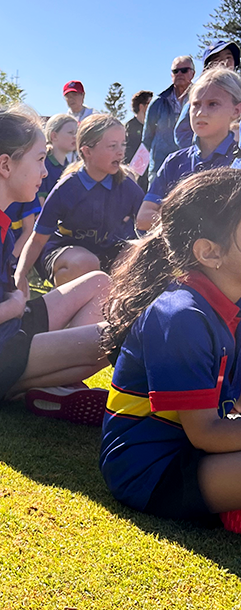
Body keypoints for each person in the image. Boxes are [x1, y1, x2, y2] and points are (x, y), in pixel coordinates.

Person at [0, 109, 109, 422]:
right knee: (113, 337)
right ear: (5, 166)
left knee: (99, 282)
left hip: (7, 332)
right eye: (39, 159)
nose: (45, 171)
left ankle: (50, 382)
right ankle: (19, 387)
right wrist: (13, 306)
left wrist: (15, 300)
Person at [101, 168, 241, 533]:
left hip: (201, 452)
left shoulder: (231, 306)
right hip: (152, 472)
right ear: (209, 252)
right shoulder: (181, 316)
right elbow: (205, 433)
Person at [17, 114, 144, 287]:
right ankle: (65, 301)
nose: (121, 151)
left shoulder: (126, 186)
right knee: (86, 262)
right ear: (87, 151)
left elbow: (150, 223)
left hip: (108, 252)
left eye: (123, 144)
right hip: (66, 253)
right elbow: (38, 239)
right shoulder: (67, 187)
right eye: (112, 146)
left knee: (138, 253)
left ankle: (112, 300)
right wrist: (20, 275)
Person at [137, 68, 241, 232]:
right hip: (177, 247)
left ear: (236, 110)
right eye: (196, 104)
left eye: (213, 104)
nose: (201, 112)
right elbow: (143, 218)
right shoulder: (174, 162)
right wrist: (187, 223)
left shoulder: (237, 161)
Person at [142, 55, 195, 178]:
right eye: (175, 71)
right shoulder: (157, 102)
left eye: (184, 70)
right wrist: (137, 171)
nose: (179, 74)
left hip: (191, 167)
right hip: (159, 168)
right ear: (171, 75)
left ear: (193, 73)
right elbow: (146, 139)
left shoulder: (201, 100)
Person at [39, 113, 77, 204]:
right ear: (54, 136)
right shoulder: (43, 164)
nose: (75, 137)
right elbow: (40, 199)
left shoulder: (70, 168)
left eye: (77, 133)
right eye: (70, 132)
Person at [124, 90, 153, 191]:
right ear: (142, 106)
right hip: (134, 178)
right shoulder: (129, 127)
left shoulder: (153, 128)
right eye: (150, 104)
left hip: (150, 176)